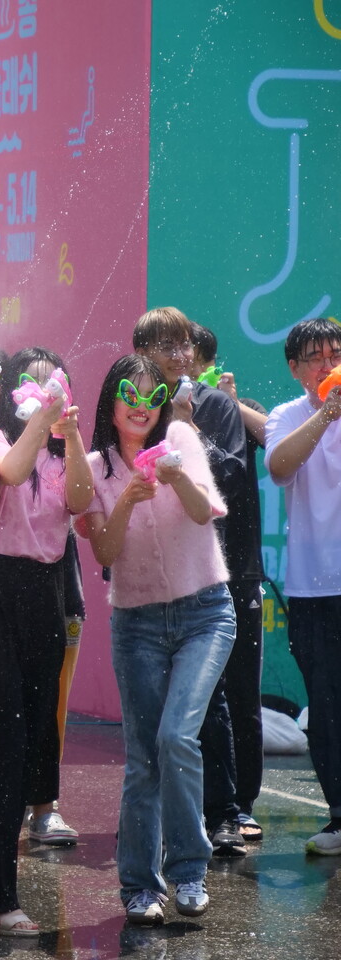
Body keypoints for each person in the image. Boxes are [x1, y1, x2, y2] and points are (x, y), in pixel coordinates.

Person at [77, 353, 234, 924]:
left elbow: (205, 512)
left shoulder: (181, 439)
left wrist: (174, 476)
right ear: (112, 404)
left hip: (205, 613)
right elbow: (105, 554)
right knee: (143, 758)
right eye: (129, 395)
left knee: (176, 738)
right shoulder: (96, 466)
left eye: (151, 397)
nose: (141, 407)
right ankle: (140, 886)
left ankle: (190, 869)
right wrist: (124, 501)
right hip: (137, 622)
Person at [0, 347, 93, 936]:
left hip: (44, 592)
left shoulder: (59, 452)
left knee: (30, 737)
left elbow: (81, 504)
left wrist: (72, 433)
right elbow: (5, 477)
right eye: (30, 382)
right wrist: (42, 419)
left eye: (51, 381)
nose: (42, 390)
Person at [132, 307, 249, 856]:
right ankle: (155, 823)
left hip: (201, 574)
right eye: (165, 346)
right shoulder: (133, 405)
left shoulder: (215, 404)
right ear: (142, 354)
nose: (179, 355)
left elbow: (230, 476)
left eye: (183, 345)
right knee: (155, 718)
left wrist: (187, 426)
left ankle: (222, 813)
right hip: (146, 579)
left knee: (210, 703)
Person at [264, 317, 341, 856]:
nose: (327, 363)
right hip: (314, 588)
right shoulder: (286, 416)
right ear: (295, 368)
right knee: (328, 705)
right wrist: (327, 412)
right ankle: (337, 816)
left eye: (336, 353)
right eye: (316, 356)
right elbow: (279, 466)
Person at [191, 322, 267, 844]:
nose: (182, 365)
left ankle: (241, 804)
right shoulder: (153, 410)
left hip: (238, 569)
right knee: (202, 696)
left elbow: (268, 443)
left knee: (240, 690)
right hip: (189, 573)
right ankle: (202, 803)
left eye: (191, 355)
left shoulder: (231, 409)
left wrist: (230, 404)